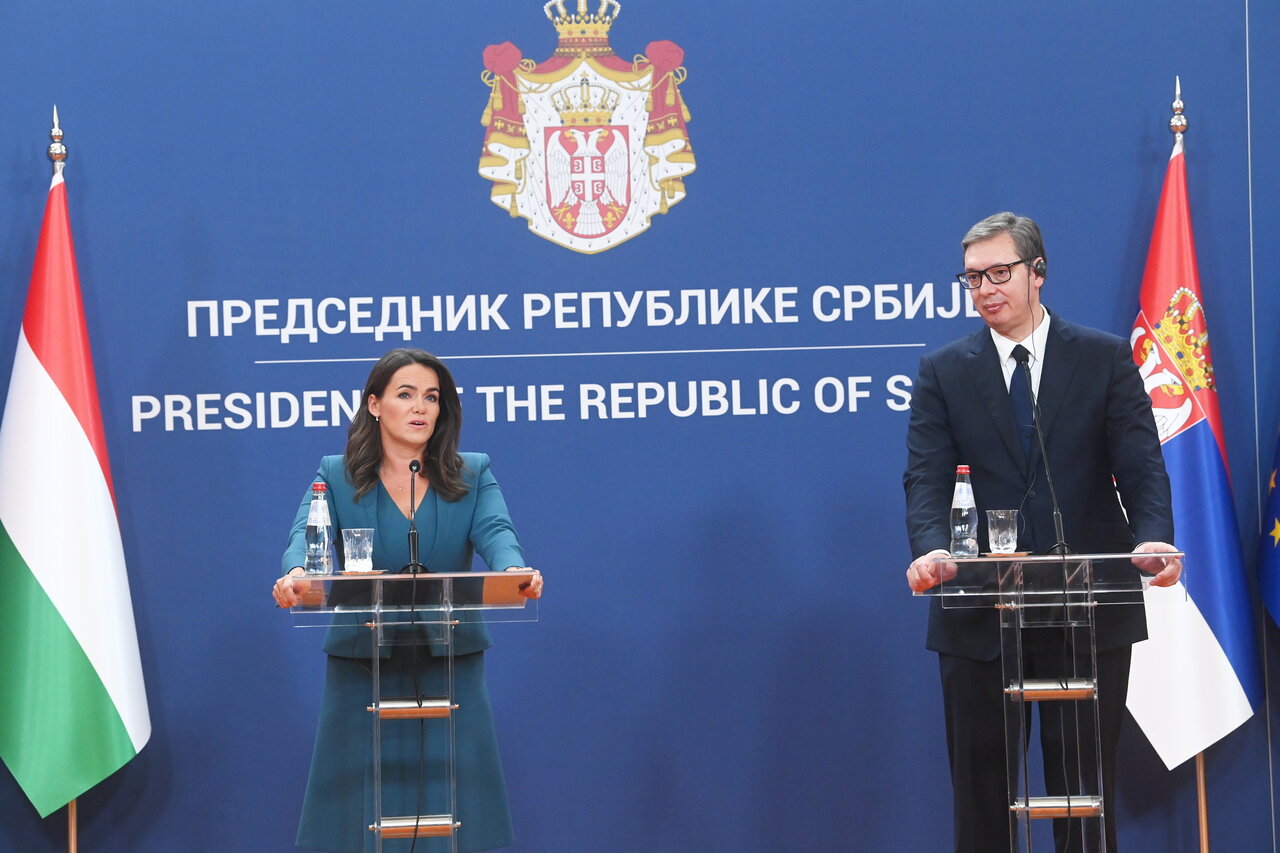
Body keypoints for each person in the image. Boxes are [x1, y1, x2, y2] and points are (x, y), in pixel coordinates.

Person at [902, 212, 1181, 853]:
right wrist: (933, 549)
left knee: (1084, 796)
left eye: (999, 273)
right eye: (973, 278)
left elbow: (1141, 464)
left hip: (1086, 608)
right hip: (980, 610)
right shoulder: (944, 371)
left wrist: (1153, 537)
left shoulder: (1103, 358)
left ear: (1038, 272)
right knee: (982, 801)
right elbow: (925, 478)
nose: (985, 289)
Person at [272, 348, 543, 853]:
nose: (421, 407)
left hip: (450, 658)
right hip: (363, 662)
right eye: (406, 394)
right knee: (357, 811)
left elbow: (496, 531)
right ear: (374, 404)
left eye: (432, 397)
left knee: (454, 803)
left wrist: (513, 571)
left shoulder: (472, 472)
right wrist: (297, 574)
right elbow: (306, 538)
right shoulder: (336, 474)